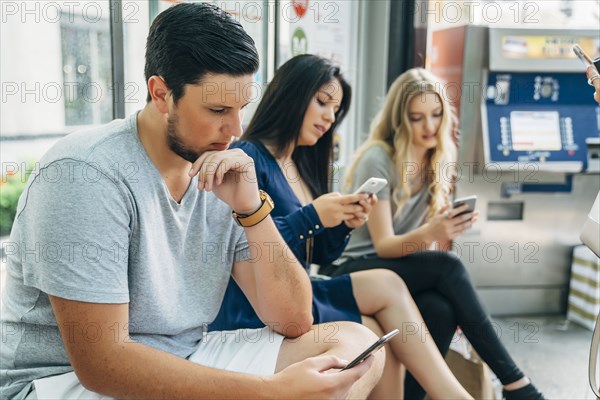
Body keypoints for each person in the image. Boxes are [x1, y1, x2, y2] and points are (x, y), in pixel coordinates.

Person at [0, 4, 386, 399]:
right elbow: (103, 363)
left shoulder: (223, 168)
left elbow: (294, 320)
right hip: (65, 382)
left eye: (240, 109)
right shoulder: (86, 173)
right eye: (218, 110)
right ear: (161, 94)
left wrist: (252, 210)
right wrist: (269, 391)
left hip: (188, 353)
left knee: (353, 348)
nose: (235, 130)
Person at [209, 54, 473, 400]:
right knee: (390, 286)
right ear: (293, 96)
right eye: (322, 103)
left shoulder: (300, 165)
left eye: (335, 110)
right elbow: (250, 247)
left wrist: (342, 224)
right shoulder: (248, 158)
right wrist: (314, 216)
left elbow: (317, 252)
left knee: (383, 330)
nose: (329, 117)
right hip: (259, 304)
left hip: (299, 289)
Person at [324, 67, 545, 400]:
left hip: (393, 268)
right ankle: (517, 385)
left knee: (439, 309)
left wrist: (442, 224)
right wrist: (433, 231)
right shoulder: (378, 158)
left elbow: (410, 242)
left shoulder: (437, 158)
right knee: (449, 266)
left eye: (436, 115)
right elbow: (383, 245)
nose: (429, 126)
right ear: (400, 120)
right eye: (417, 118)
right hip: (354, 268)